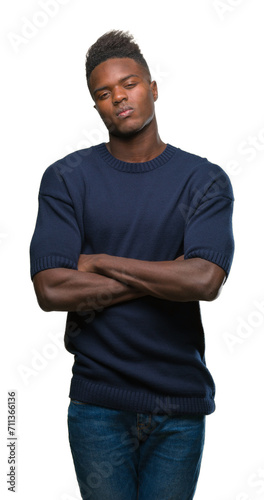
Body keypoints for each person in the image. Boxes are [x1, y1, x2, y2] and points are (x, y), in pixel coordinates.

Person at [30, 30, 234, 500]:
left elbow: (204, 279)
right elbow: (51, 290)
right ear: (96, 106)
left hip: (179, 404)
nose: (118, 97)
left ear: (153, 87)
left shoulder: (203, 180)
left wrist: (98, 262)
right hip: (98, 404)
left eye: (129, 84)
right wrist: (168, 275)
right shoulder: (66, 178)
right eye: (103, 93)